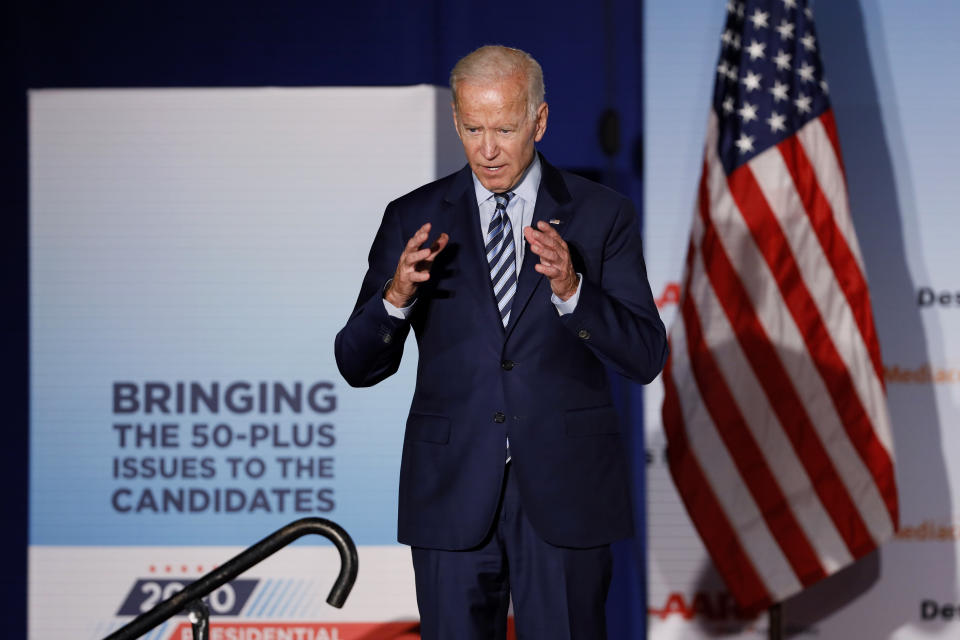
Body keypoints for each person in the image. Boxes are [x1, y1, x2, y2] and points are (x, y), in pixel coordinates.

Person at [335, 45, 667, 639]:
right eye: (472, 129)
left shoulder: (601, 215)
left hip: (567, 494)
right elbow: (355, 364)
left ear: (539, 122)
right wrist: (396, 298)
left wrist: (573, 289)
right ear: (457, 121)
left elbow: (645, 355)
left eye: (506, 129)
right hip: (452, 491)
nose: (487, 149)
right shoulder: (413, 217)